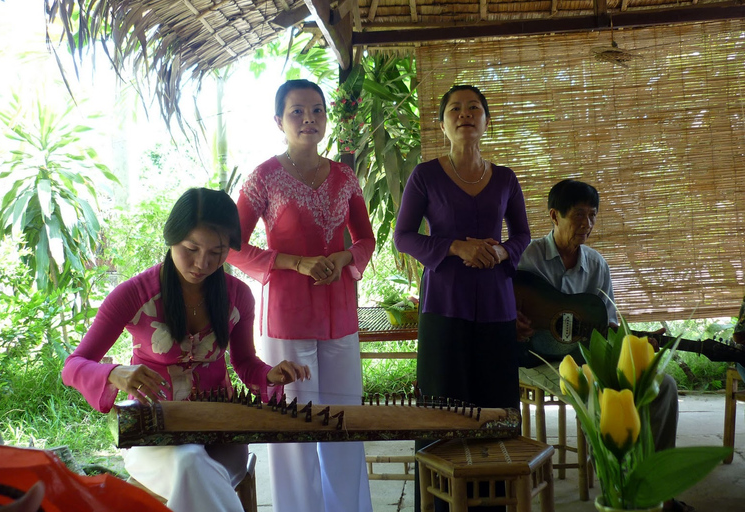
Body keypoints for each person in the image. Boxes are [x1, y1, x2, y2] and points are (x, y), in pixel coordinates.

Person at [62, 187, 309, 512]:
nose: (202, 263)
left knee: (194, 470)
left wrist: (270, 374)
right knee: (190, 464)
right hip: (154, 430)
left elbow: (246, 364)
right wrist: (114, 374)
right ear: (171, 238)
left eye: (217, 252)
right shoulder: (133, 295)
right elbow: (73, 366)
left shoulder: (237, 297)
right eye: (191, 248)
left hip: (220, 430)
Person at [226, 79, 375, 512]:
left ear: (326, 118)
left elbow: (366, 239)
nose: (309, 119)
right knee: (294, 429)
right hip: (287, 317)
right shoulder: (263, 178)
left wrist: (344, 255)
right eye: (297, 111)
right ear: (279, 121)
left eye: (317, 111)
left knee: (345, 423)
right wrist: (296, 262)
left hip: (340, 314)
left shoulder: (345, 176)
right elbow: (233, 245)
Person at [393, 84, 531, 511]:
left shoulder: (506, 178)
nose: (465, 114)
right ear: (442, 124)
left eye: (474, 108)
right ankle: (438, 504)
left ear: (487, 121)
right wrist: (455, 247)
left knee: (495, 408)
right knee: (442, 408)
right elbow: (403, 236)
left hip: (496, 307)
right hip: (444, 307)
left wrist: (503, 251)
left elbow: (523, 235)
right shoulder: (425, 176)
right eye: (455, 108)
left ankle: (494, 503)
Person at [516, 178, 689, 512]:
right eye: (578, 215)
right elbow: (500, 305)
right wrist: (511, 321)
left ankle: (659, 488)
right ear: (554, 216)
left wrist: (634, 341)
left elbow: (606, 326)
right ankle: (617, 489)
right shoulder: (526, 259)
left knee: (663, 385)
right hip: (538, 359)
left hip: (586, 356)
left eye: (592, 215)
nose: (587, 224)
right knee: (597, 394)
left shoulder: (596, 265)